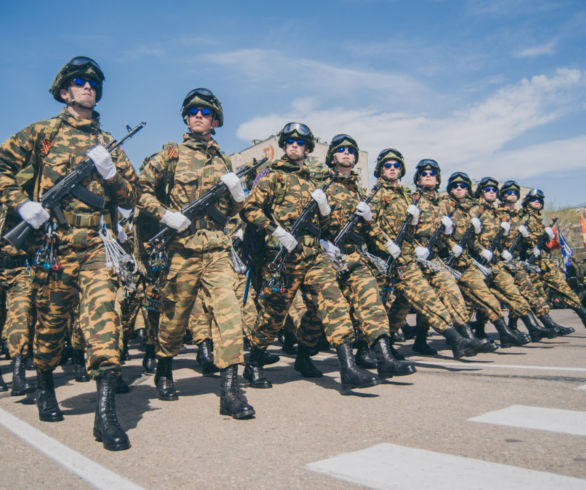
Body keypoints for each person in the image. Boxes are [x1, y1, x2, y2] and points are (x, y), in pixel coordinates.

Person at [0, 56, 139, 450]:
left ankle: (105, 416)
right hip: (54, 244)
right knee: (50, 325)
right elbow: (2, 166)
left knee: (105, 325)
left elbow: (132, 198)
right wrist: (20, 204)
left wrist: (112, 174)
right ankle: (44, 382)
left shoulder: (108, 143)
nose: (88, 87)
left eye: (94, 83)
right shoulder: (42, 134)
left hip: (97, 242)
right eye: (80, 82)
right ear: (64, 91)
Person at [138, 88, 255, 419]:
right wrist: (164, 215)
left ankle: (230, 391)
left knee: (230, 314)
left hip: (216, 249)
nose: (198, 116)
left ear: (216, 120)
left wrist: (237, 193)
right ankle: (164, 367)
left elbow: (233, 211)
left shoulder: (224, 161)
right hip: (182, 249)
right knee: (174, 320)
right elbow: (139, 190)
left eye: (205, 112)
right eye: (192, 112)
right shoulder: (169, 156)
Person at [240, 122, 380, 391]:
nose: (295, 146)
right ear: (283, 145)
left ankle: (348, 368)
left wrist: (325, 210)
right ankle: (254, 362)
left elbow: (327, 222)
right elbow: (250, 210)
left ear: (307, 148)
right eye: (290, 142)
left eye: (300, 143)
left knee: (334, 303)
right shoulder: (273, 176)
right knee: (274, 314)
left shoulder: (317, 178)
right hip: (282, 256)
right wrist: (276, 230)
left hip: (313, 253)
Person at [303, 134, 415, 377]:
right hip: (325, 257)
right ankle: (303, 355)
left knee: (372, 302)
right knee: (321, 312)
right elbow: (303, 220)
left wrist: (386, 242)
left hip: (353, 256)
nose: (347, 153)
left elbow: (369, 227)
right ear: (332, 156)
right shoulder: (319, 184)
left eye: (351, 151)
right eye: (341, 149)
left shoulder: (360, 191)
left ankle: (384, 357)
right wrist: (322, 240)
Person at [369, 152, 484, 359]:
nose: (392, 168)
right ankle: (371, 349)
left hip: (410, 258)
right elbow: (369, 226)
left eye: (396, 165)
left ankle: (458, 339)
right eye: (387, 165)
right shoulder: (379, 193)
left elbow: (409, 231)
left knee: (419, 300)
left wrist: (445, 237)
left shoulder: (408, 196)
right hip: (384, 260)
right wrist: (387, 244)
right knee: (382, 308)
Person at [442, 173, 526, 347]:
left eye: (463, 186)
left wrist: (485, 250)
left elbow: (471, 239)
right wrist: (451, 244)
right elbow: (432, 232)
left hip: (467, 262)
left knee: (481, 296)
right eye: (456, 186)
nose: (459, 189)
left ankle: (500, 332)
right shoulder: (445, 205)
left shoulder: (468, 210)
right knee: (445, 302)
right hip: (444, 261)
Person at [469, 179, 553, 342]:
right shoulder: (475, 210)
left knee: (513, 293)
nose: (492, 191)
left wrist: (504, 251)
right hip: (477, 262)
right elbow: (467, 237)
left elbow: (500, 240)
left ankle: (530, 327)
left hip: (496, 262)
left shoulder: (495, 212)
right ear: (481, 192)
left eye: (494, 189)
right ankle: (468, 335)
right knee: (473, 303)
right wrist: (481, 251)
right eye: (488, 189)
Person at [497, 181, 573, 336]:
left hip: (515, 261)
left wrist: (537, 241)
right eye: (508, 192)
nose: (512, 194)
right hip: (498, 260)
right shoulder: (497, 214)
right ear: (503, 195)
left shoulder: (518, 216)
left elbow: (523, 241)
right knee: (481, 300)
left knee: (525, 293)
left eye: (514, 192)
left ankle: (539, 326)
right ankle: (476, 329)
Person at [520, 188, 586, 328]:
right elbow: (518, 240)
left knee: (565, 290)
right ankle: (516, 327)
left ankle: (583, 317)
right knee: (533, 298)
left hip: (545, 263)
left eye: (539, 200)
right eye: (533, 199)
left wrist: (546, 238)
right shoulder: (523, 218)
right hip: (530, 264)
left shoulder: (539, 220)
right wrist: (534, 239)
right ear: (527, 202)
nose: (537, 202)